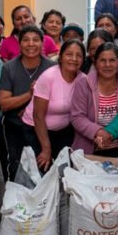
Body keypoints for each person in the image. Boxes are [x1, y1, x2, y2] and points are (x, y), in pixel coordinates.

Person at [0, 26, 55, 179]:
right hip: (15, 126)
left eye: (36, 40)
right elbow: (4, 103)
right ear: (19, 43)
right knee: (17, 167)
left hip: (43, 127)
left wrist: (31, 109)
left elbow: (57, 100)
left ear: (42, 43)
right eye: (26, 40)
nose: (31, 44)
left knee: (44, 168)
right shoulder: (8, 68)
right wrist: (31, 95)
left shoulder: (51, 67)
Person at [22, 40, 84, 169]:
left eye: (78, 55)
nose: (74, 59)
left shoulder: (83, 79)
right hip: (36, 129)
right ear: (60, 57)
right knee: (41, 169)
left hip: (63, 131)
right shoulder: (48, 77)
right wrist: (46, 149)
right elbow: (38, 116)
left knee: (64, 170)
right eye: (69, 54)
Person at [71, 42, 118, 157]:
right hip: (90, 150)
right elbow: (77, 117)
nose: (107, 65)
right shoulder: (83, 84)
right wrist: (98, 132)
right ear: (96, 63)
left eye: (112, 60)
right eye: (102, 60)